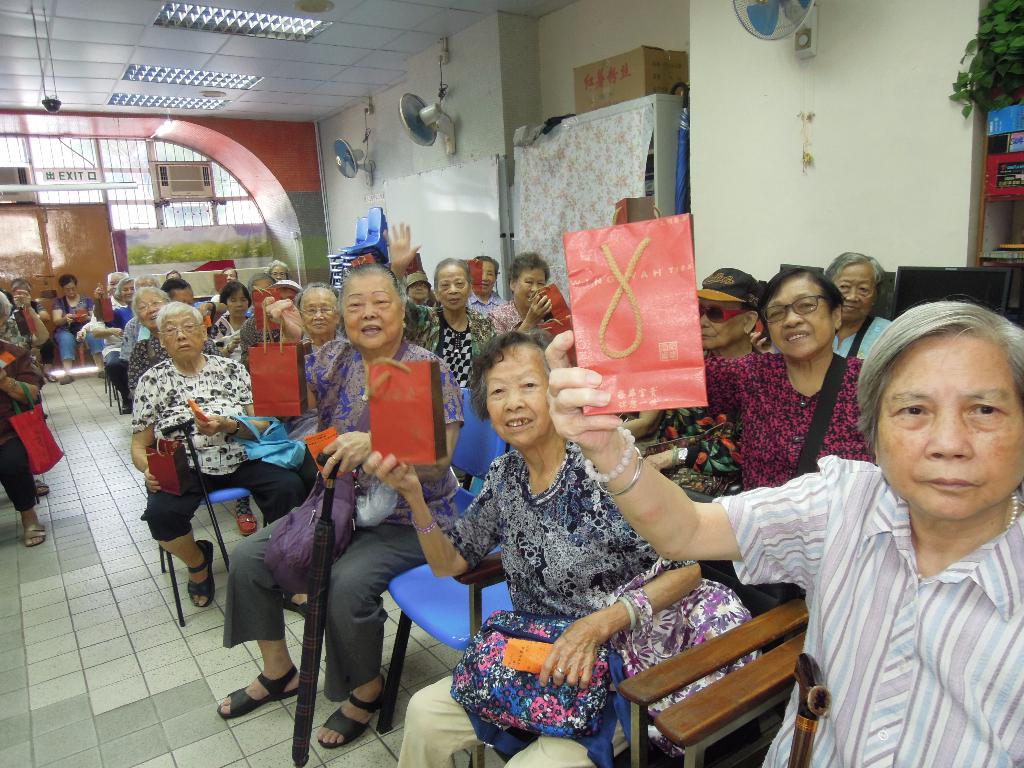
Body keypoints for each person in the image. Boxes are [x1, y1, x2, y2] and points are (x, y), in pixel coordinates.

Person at [546, 300, 1024, 767]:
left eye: (984, 410)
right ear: (874, 428)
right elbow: (686, 530)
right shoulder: (843, 503)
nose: (948, 444)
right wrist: (606, 445)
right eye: (914, 410)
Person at [379, 332, 749, 767]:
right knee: (423, 713)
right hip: (531, 656)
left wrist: (598, 625)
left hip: (608, 670)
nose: (513, 403)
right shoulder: (504, 476)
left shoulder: (602, 472)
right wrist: (414, 497)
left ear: (559, 393)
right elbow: (450, 563)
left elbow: (687, 570)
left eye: (529, 386)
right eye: (498, 391)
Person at [216, 263, 464, 751]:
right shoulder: (335, 356)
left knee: (346, 581)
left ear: (402, 310)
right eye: (355, 304)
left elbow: (438, 462)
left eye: (381, 302)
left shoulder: (425, 369)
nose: (368, 313)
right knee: (248, 559)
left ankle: (366, 688)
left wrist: (375, 442)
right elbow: (287, 401)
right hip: (341, 503)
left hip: (410, 518)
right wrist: (278, 340)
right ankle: (278, 671)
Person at [131, 302, 307, 607]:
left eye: (189, 327)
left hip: (240, 455)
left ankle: (279, 563)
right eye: (171, 330)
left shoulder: (232, 370)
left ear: (203, 332)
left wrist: (228, 424)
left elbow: (261, 424)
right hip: (185, 465)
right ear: (161, 339)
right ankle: (198, 562)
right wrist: (149, 469)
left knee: (289, 487)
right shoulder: (151, 381)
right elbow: (138, 445)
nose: (181, 335)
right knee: (161, 515)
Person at [690, 267, 873, 490]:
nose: (791, 320)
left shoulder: (871, 383)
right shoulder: (752, 374)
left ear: (836, 315)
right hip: (763, 522)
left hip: (843, 523)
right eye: (776, 312)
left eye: (806, 306)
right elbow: (676, 372)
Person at [626, 268, 763, 497]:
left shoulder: (764, 377)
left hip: (709, 486)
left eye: (715, 314)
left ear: (749, 321)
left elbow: (744, 451)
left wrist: (673, 456)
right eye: (700, 310)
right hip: (655, 467)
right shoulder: (686, 362)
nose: (702, 322)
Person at [388, 224, 495, 387]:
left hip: (472, 406)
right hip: (433, 404)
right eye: (445, 285)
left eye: (459, 284)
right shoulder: (425, 320)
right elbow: (398, 305)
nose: (453, 290)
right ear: (436, 292)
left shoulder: (483, 325)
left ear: (469, 289)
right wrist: (397, 271)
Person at [127, 287, 219, 396]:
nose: (151, 309)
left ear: (168, 305)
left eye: (155, 303)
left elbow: (222, 374)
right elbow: (137, 391)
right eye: (142, 307)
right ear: (139, 319)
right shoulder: (141, 350)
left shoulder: (201, 340)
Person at [0, 335, 46, 547]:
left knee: (12, 463)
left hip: (8, 431)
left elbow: (33, 395)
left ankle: (29, 516)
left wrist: (5, 381)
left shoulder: (11, 354)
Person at [825, 252, 891, 359]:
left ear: (875, 295)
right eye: (844, 287)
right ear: (828, 289)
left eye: (863, 289)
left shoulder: (888, 334)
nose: (852, 297)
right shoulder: (812, 327)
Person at [85, 276, 135, 413]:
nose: (128, 291)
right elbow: (96, 332)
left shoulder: (137, 302)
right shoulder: (103, 305)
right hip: (116, 346)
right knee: (114, 365)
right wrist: (112, 330)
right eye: (113, 284)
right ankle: (127, 396)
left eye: (131, 288)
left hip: (139, 344)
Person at [51, 273, 104, 384]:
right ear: (63, 289)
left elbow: (94, 317)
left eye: (73, 288)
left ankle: (101, 369)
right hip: (66, 329)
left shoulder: (86, 299)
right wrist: (65, 318)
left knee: (94, 335)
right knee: (65, 339)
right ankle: (68, 373)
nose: (71, 291)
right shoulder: (59, 302)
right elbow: (56, 320)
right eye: (67, 289)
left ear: (76, 286)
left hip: (85, 327)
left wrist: (86, 317)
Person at [489, 252, 553, 334]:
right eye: (529, 282)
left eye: (540, 283)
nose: (535, 289)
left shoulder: (548, 313)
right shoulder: (497, 318)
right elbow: (501, 347)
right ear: (512, 284)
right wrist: (529, 322)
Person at [9, 278, 55, 381]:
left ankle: (46, 372)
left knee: (47, 343)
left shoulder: (33, 304)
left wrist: (29, 311)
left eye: (24, 292)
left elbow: (46, 317)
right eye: (18, 292)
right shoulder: (7, 306)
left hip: (32, 336)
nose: (21, 295)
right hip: (12, 344)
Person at [208, 280, 249, 362]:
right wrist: (230, 348)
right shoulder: (219, 325)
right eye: (233, 300)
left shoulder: (253, 324)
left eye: (243, 300)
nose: (239, 304)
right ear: (225, 303)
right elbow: (213, 356)